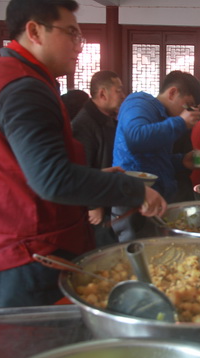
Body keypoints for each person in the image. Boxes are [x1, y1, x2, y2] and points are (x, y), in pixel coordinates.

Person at [0, 0, 166, 308]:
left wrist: (96, 181)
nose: (79, 46)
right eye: (72, 33)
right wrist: (134, 190)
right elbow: (52, 180)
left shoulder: (16, 78)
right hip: (27, 257)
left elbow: (30, 170)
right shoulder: (23, 89)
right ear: (34, 31)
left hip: (22, 248)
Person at [111, 70, 200, 241]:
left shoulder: (163, 116)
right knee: (137, 254)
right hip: (135, 197)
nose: (188, 111)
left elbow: (155, 158)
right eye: (187, 104)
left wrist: (181, 161)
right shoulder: (139, 103)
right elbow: (135, 138)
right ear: (173, 92)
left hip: (155, 197)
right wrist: (180, 122)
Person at [71, 70, 125, 247]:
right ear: (103, 93)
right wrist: (93, 205)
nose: (123, 95)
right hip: (96, 202)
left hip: (107, 195)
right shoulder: (85, 123)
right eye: (119, 90)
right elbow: (81, 168)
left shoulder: (106, 118)